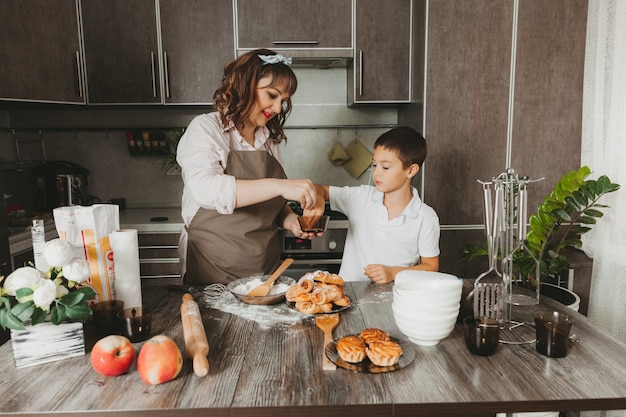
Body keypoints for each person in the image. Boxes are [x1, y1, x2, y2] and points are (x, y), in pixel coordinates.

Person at [176, 49, 319, 284]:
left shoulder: (269, 140)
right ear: (245, 84)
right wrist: (279, 185)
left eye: (283, 101)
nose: (277, 108)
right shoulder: (205, 128)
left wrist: (291, 220)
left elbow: (271, 204)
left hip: (265, 271)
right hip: (213, 270)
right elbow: (205, 189)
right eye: (272, 95)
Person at [308, 127, 440, 284]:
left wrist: (393, 273)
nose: (376, 173)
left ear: (411, 170)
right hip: (349, 295)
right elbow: (320, 190)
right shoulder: (361, 197)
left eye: (385, 167)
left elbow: (431, 266)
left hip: (395, 299)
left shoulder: (426, 217)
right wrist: (318, 202)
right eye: (374, 165)